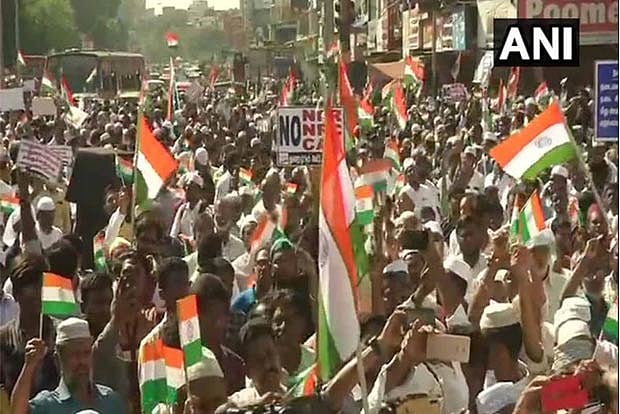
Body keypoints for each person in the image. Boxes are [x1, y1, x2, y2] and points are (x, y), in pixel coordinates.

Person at [10, 317, 125, 413]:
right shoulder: (47, 405)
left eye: (86, 353)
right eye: (74, 354)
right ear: (57, 360)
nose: (82, 361)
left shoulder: (111, 401)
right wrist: (30, 365)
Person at [191, 273, 245, 393]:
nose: (220, 323)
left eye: (223, 314)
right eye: (211, 316)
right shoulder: (176, 363)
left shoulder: (235, 365)